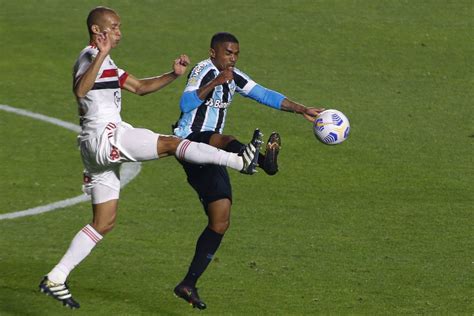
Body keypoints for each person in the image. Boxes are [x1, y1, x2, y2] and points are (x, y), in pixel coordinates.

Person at [38, 9, 261, 309]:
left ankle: (56, 277)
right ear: (96, 30)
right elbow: (80, 90)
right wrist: (101, 54)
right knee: (173, 144)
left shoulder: (106, 62)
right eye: (114, 28)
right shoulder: (90, 56)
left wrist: (173, 75)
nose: (119, 33)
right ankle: (239, 162)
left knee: (104, 222)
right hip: (106, 136)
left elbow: (140, 88)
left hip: (96, 149)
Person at [172, 32, 325, 309]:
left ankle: (188, 283)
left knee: (220, 219)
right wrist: (217, 81)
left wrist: (302, 109)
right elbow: (186, 104)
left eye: (236, 53)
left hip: (213, 155)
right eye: (228, 53)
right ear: (213, 53)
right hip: (189, 141)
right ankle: (261, 160)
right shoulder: (202, 70)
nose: (232, 58)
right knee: (227, 139)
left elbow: (264, 94)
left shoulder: (235, 76)